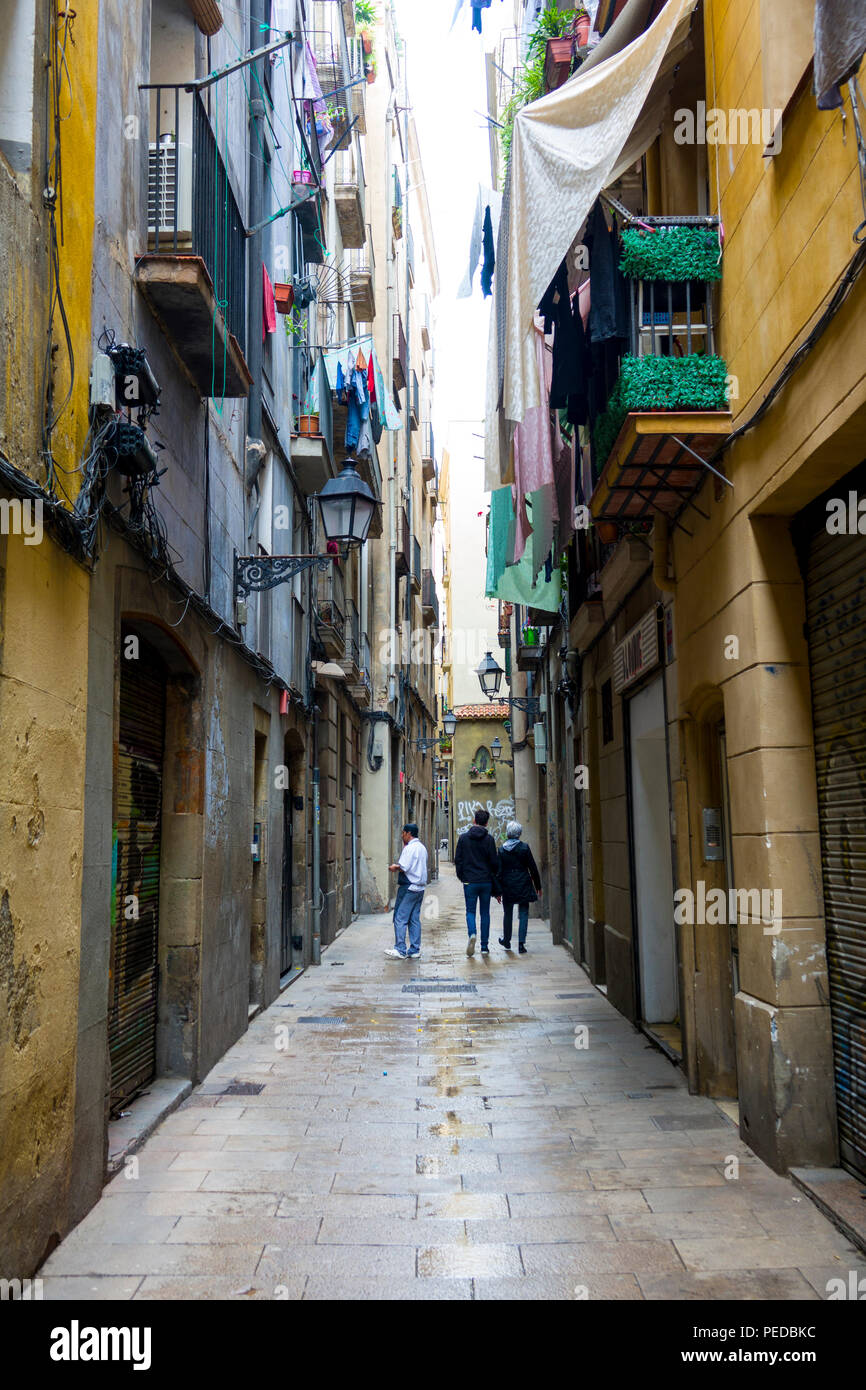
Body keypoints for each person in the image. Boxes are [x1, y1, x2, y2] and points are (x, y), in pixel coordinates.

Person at [454, 808, 501, 956]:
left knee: (470, 911)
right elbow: (494, 862)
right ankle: (485, 946)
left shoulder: (463, 838)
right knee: (485, 913)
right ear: (486, 823)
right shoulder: (489, 839)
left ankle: (472, 934)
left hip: (470, 882)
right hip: (486, 881)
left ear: (474, 821)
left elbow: (458, 860)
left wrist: (462, 877)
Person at [497, 820, 542, 954]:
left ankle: (507, 940)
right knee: (523, 914)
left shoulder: (501, 850)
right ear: (519, 834)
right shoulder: (524, 848)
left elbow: (498, 872)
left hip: (507, 884)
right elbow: (533, 868)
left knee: (508, 914)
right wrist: (538, 886)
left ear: (508, 833)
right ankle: (521, 944)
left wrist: (497, 891)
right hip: (523, 883)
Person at [385, 824, 428, 959]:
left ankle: (400, 949)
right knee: (414, 919)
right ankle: (414, 949)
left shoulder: (410, 848)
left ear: (409, 833)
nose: (402, 835)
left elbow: (403, 867)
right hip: (420, 888)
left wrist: (394, 867)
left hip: (409, 887)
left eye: (403, 833)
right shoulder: (422, 848)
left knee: (400, 917)